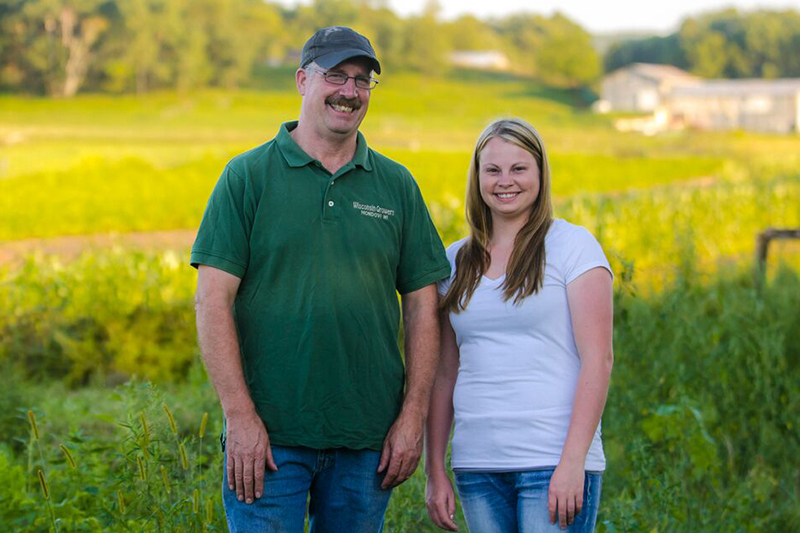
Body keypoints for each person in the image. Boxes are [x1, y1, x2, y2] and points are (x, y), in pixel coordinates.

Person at [191, 26, 450, 532]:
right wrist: (239, 417)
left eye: (362, 81)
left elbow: (423, 306)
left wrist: (412, 415)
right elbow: (212, 303)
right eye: (336, 76)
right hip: (268, 439)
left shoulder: (395, 184)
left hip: (367, 438)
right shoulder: (247, 177)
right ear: (302, 80)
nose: (350, 92)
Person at [425, 118, 614, 533]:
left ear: (541, 174)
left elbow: (597, 361)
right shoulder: (455, 260)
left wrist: (572, 462)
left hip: (550, 461)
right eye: (492, 170)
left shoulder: (573, 247)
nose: (504, 181)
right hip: (478, 465)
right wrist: (434, 468)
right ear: (477, 178)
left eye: (519, 168)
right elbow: (443, 373)